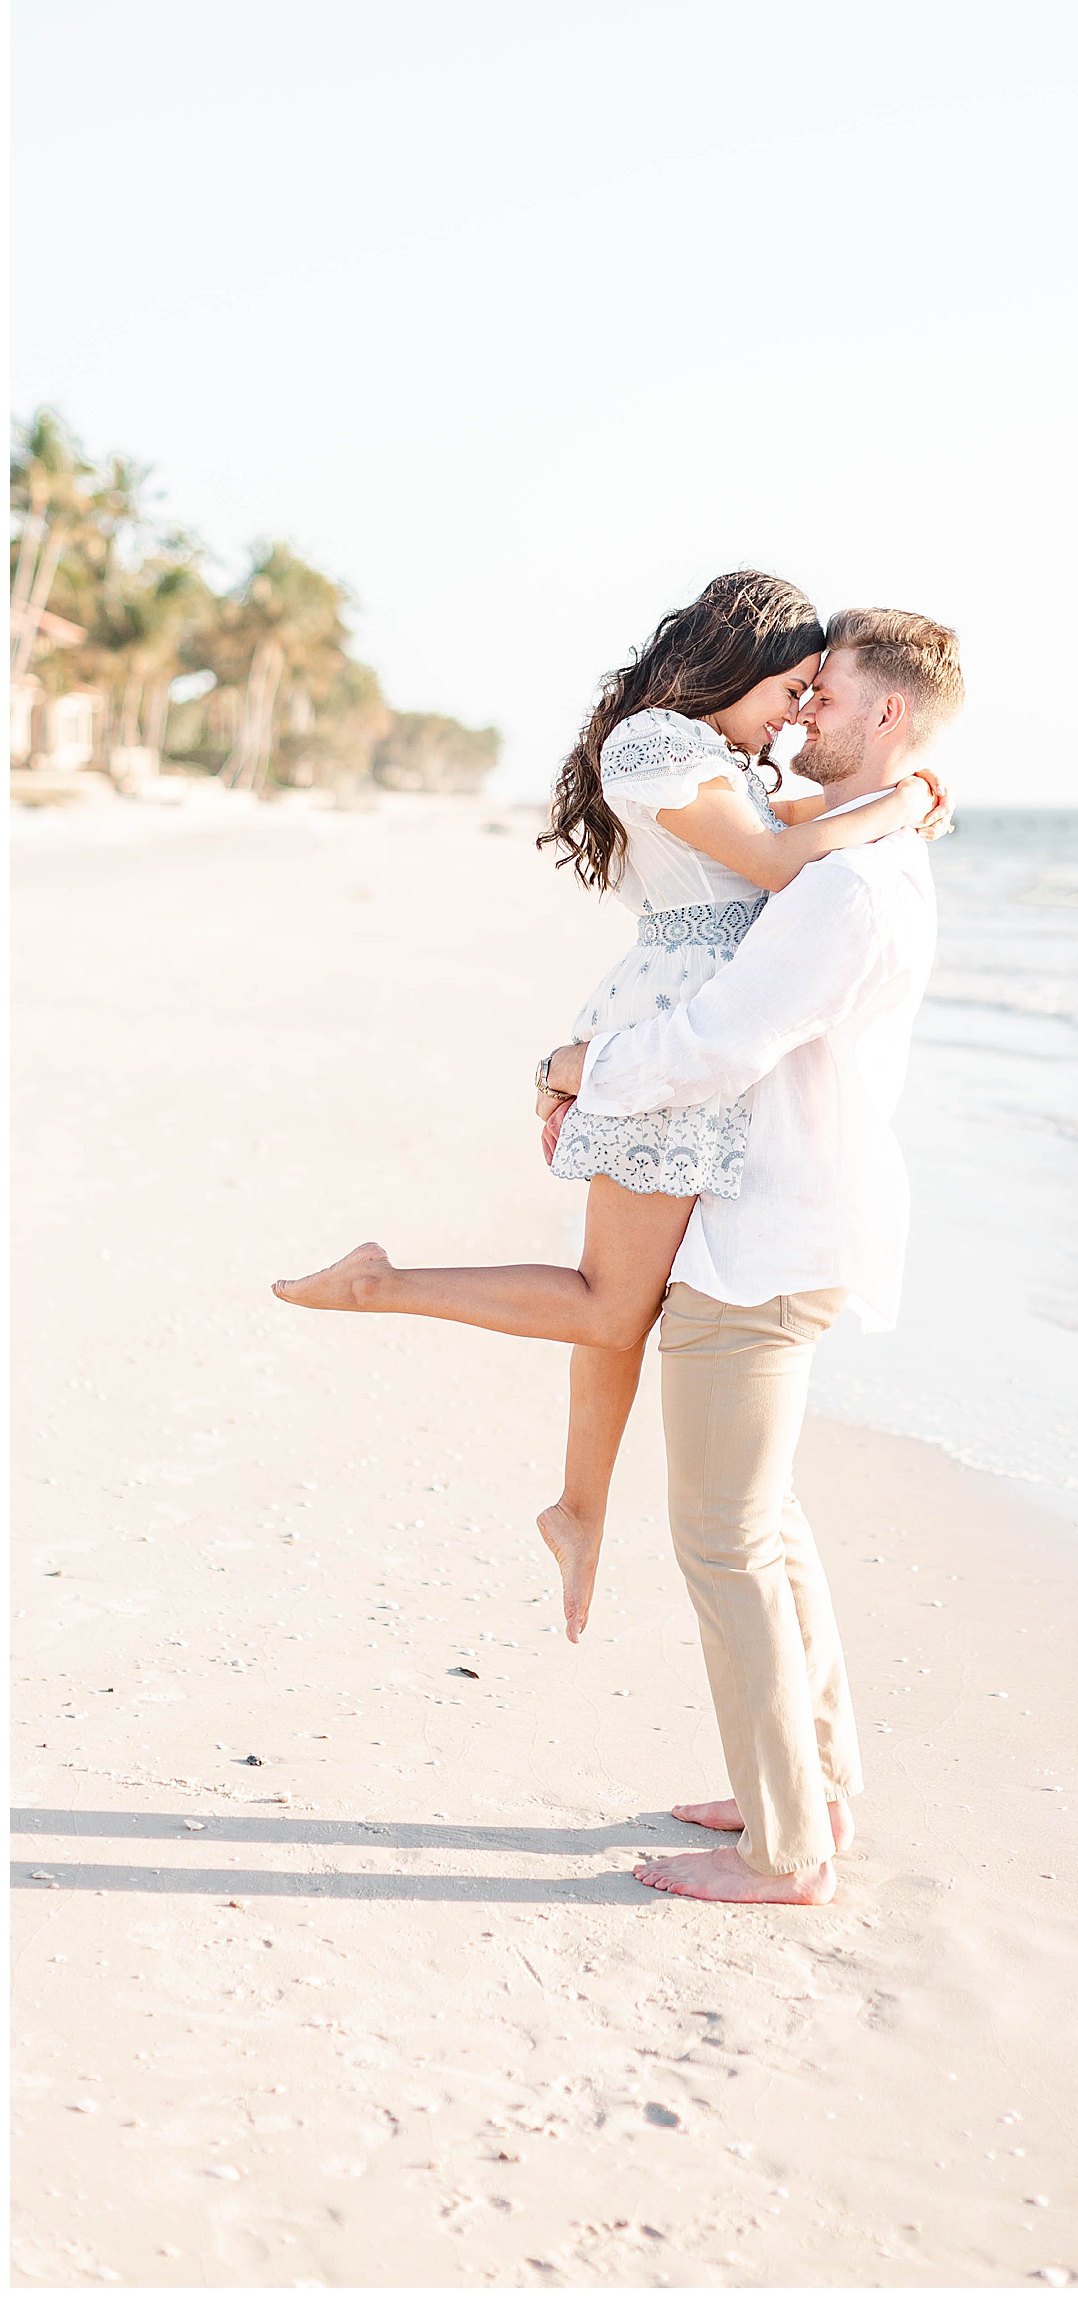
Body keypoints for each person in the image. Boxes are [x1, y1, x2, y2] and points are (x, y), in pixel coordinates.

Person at [272, 573, 947, 1645]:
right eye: (790, 690)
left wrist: (887, 800)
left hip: (694, 1033)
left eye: (812, 696)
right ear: (737, 664)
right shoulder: (652, 745)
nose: (793, 717)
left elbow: (792, 822)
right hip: (670, 1030)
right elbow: (777, 857)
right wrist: (903, 803)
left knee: (620, 1300)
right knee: (610, 1304)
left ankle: (578, 1509)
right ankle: (377, 1282)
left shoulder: (715, 758)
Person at [537, 607, 965, 1904]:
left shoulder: (845, 882)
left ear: (888, 713)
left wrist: (580, 1065)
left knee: (722, 1541)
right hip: (785, 1222)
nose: (801, 712)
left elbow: (721, 1040)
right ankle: (810, 1788)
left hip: (765, 1242)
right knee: (764, 1526)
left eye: (824, 694)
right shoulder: (869, 856)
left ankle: (786, 1849)